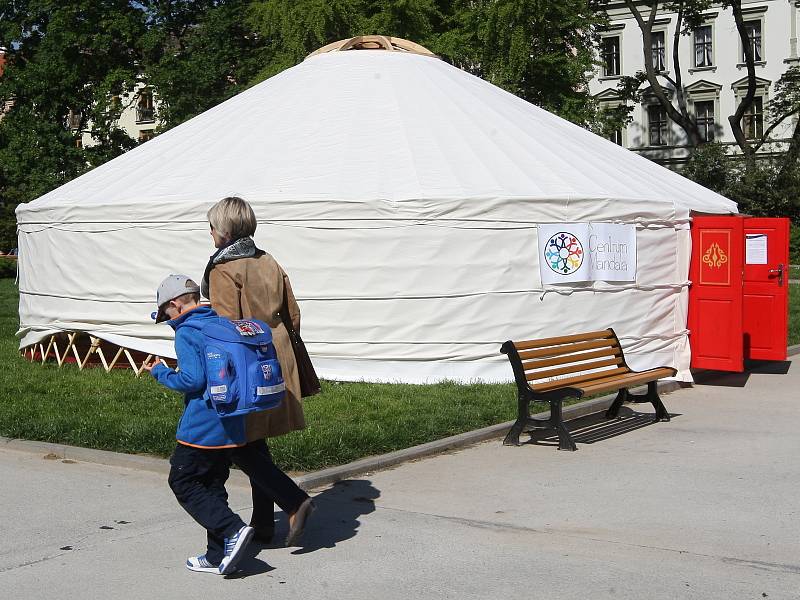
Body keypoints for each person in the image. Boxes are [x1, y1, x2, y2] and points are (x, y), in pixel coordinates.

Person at [202, 196, 311, 545]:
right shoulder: (268, 260)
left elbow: (225, 326)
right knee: (255, 439)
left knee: (236, 440)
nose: (210, 233)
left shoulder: (223, 269)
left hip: (245, 360)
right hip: (277, 353)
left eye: (213, 227)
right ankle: (264, 521)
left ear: (224, 231)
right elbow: (292, 313)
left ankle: (292, 500)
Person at [143, 274, 253, 575]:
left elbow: (192, 380)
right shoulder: (220, 322)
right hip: (231, 422)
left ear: (175, 305)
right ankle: (217, 555)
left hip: (201, 428)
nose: (167, 320)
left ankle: (232, 529)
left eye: (165, 314)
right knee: (212, 484)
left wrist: (161, 373)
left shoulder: (187, 332)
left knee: (183, 481)